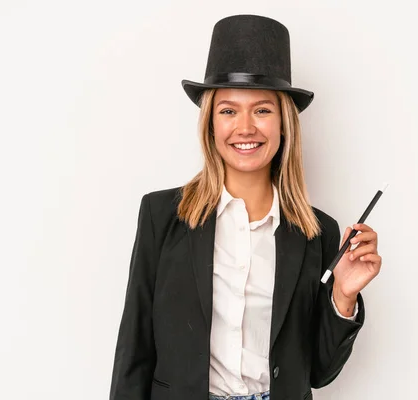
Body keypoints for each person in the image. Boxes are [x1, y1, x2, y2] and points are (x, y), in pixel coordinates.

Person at [109, 14, 382, 400]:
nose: (246, 127)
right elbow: (134, 352)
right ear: (210, 125)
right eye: (228, 110)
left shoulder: (317, 233)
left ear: (284, 123)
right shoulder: (161, 216)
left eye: (262, 110)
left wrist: (343, 296)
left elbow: (318, 373)